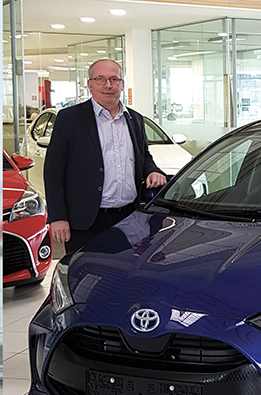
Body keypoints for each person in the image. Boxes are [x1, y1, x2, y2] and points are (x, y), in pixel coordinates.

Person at [44, 58, 168, 255]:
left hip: (128, 219)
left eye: (114, 79)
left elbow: (143, 156)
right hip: (85, 222)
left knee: (125, 271)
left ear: (122, 84)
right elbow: (53, 171)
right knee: (85, 271)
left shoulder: (135, 119)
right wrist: (58, 217)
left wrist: (152, 171)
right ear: (90, 84)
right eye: (100, 79)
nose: (108, 85)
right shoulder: (69, 119)